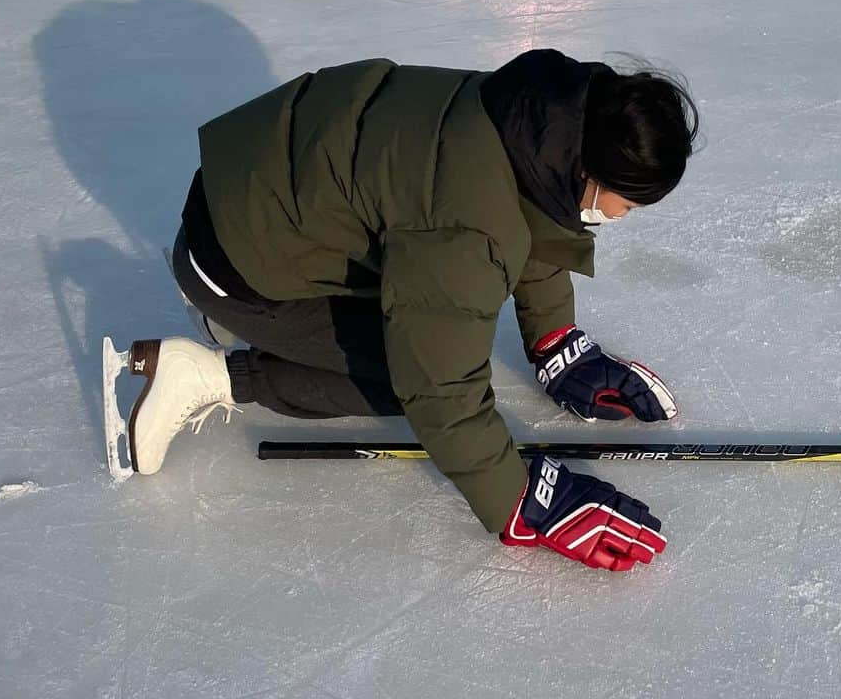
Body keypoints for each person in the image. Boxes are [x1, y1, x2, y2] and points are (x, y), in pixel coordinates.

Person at [124, 48, 698, 572]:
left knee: (428, 308)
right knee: (407, 375)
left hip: (243, 194)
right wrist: (522, 501)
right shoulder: (470, 226)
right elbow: (438, 389)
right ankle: (209, 369)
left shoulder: (527, 113)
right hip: (233, 261)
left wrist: (556, 342)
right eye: (630, 202)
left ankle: (251, 310)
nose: (625, 216)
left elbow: (539, 214)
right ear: (589, 174)